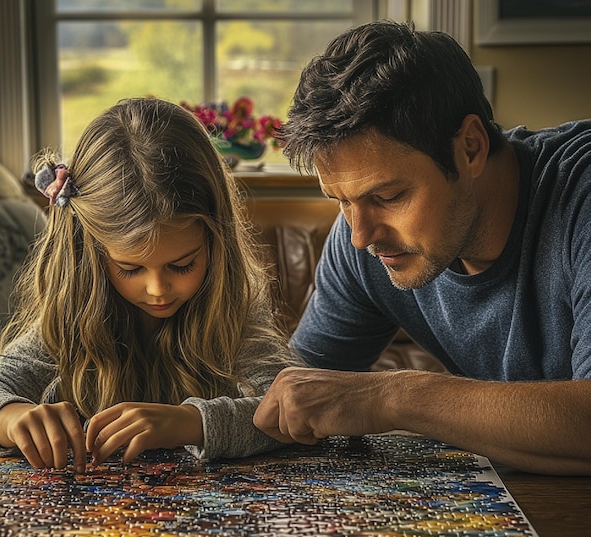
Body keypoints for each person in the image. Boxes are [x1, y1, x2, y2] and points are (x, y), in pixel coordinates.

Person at [253, 20, 591, 475]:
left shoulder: (581, 195)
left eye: (389, 197)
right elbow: (292, 400)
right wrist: (195, 420)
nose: (360, 236)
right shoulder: (364, 239)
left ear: (470, 147)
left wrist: (393, 397)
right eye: (341, 202)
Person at [0, 97, 298, 473]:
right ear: (89, 254)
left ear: (217, 243)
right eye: (130, 268)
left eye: (182, 264)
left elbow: (291, 408)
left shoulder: (234, 315)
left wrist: (190, 424)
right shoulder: (70, 320)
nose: (158, 288)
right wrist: (10, 417)